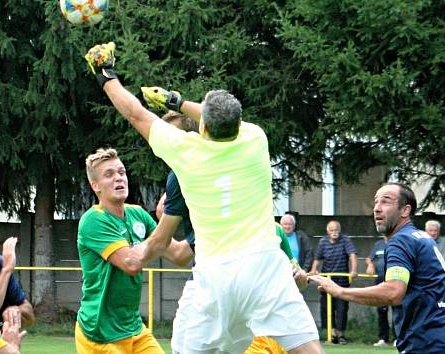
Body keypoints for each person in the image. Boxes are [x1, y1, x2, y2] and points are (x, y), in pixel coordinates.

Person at [84, 42, 322, 354]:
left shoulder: (186, 154)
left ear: (204, 126)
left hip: (215, 277)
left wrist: (106, 75)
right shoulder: (255, 139)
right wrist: (176, 101)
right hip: (266, 268)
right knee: (307, 348)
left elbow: (136, 114)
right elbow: (218, 118)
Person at [155, 111, 301, 354]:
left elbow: (180, 254)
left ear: (194, 136)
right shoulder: (205, 168)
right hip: (215, 278)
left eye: (173, 136)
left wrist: (147, 245)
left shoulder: (188, 175)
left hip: (221, 280)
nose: (167, 143)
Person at [310, 183, 445, 354]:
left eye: (386, 202)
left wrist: (339, 291)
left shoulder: (401, 240)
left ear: (405, 210)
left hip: (432, 345)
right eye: (376, 202)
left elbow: (393, 292)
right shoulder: (420, 237)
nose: (377, 209)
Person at [76, 148, 167, 353]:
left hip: (133, 329)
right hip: (99, 334)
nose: (119, 178)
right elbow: (131, 264)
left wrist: (169, 217)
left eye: (122, 172)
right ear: (95, 185)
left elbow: (179, 254)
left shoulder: (138, 214)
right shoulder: (93, 220)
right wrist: (160, 234)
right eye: (109, 174)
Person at [310, 220, 357, 344]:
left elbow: (352, 255)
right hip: (327, 280)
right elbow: (317, 258)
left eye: (336, 230)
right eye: (331, 230)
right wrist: (314, 270)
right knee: (326, 307)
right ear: (328, 231)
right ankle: (332, 334)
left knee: (341, 308)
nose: (334, 233)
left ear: (339, 230)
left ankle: (341, 335)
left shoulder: (345, 240)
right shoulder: (323, 242)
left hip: (341, 281)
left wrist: (354, 270)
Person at [365, 236, 392, 347]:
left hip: (395, 281)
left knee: (398, 310)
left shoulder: (398, 242)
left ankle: (398, 338)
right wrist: (370, 264)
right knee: (382, 310)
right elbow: (369, 258)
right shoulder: (378, 244)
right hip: (380, 281)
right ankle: (383, 338)